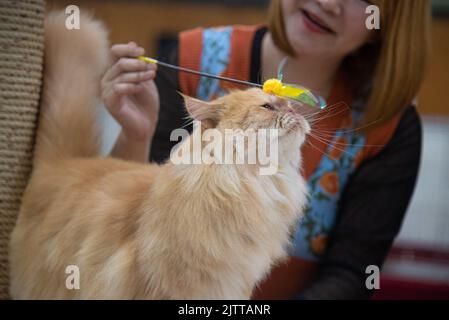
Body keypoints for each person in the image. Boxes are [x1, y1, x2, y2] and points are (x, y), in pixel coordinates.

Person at [100, 0, 431, 299]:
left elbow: (351, 277)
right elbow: (123, 228)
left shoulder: (389, 125)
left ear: (389, 22)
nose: (329, 3)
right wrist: (135, 135)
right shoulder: (191, 56)